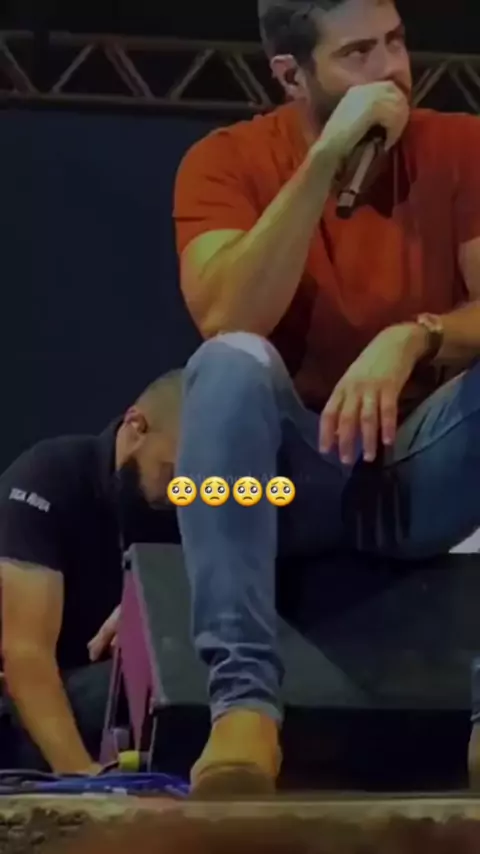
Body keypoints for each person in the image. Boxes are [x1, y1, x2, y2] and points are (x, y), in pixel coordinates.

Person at [172, 0, 480, 796]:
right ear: (291, 74)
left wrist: (416, 336)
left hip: (419, 473)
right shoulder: (224, 162)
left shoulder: (459, 145)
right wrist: (324, 163)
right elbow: (229, 315)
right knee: (229, 363)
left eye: (396, 42)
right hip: (286, 488)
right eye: (357, 54)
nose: (391, 71)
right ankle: (244, 712)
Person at [0, 370, 182, 774]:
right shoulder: (49, 476)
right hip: (30, 699)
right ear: (136, 426)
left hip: (111, 691)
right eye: (172, 473)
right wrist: (82, 774)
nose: (180, 494)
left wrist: (155, 607)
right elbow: (25, 654)